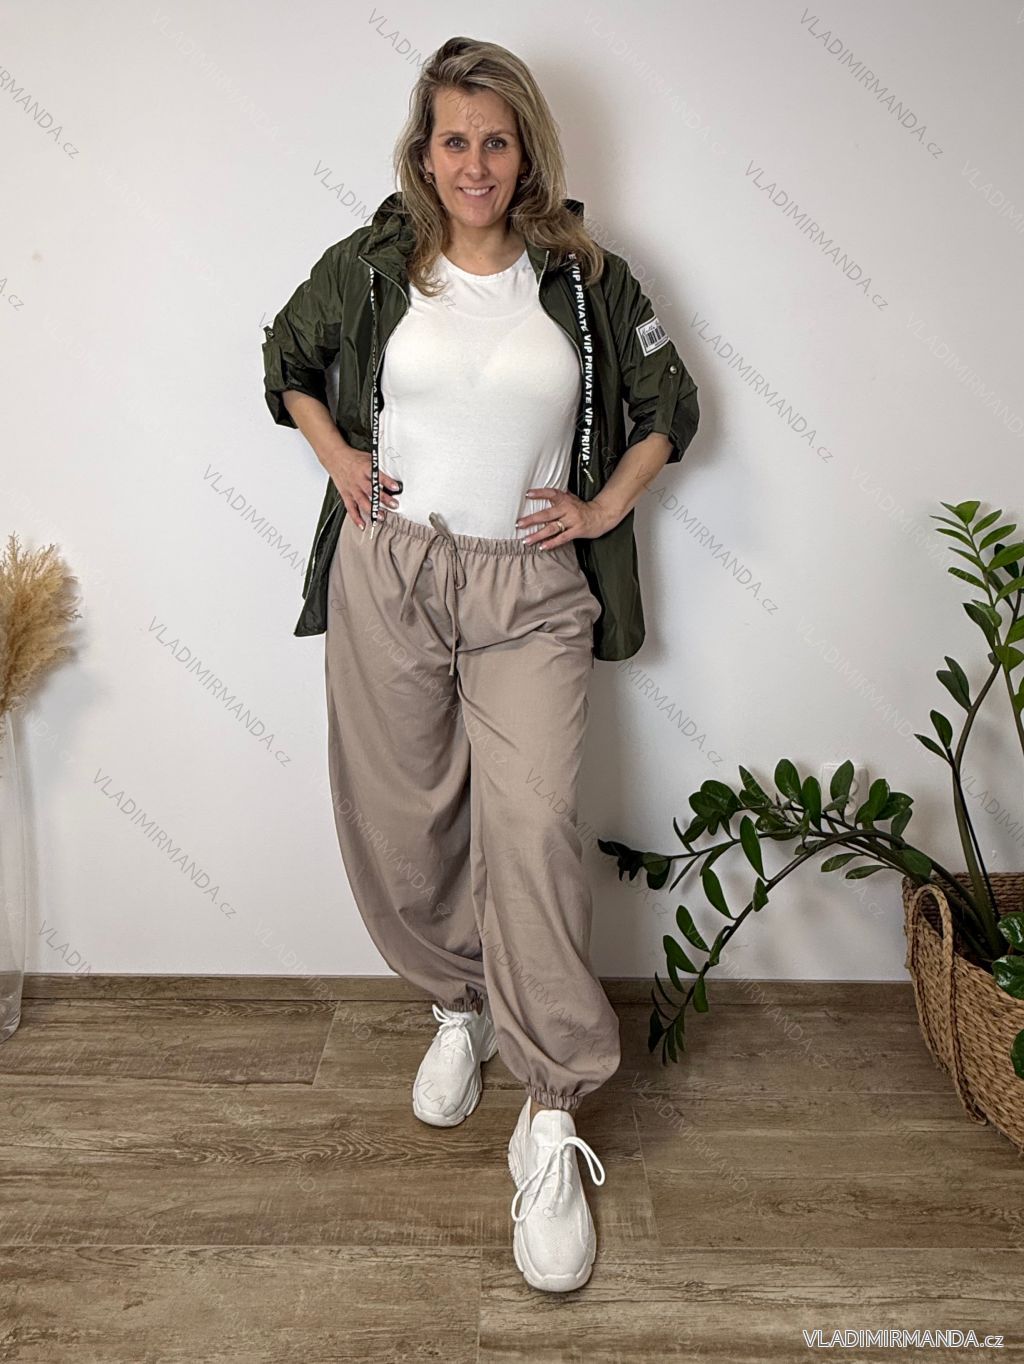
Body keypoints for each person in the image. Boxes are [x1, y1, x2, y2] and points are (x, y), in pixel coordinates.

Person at [261, 35, 700, 1294]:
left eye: (495, 140)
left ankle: (552, 1106)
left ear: (526, 151)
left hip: (529, 591)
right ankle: (459, 1004)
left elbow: (670, 404)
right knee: (404, 815)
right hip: (391, 569)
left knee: (535, 820)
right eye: (453, 138)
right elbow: (287, 361)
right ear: (424, 150)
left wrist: (603, 505)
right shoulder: (373, 263)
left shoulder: (586, 276)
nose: (474, 163)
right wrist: (340, 458)